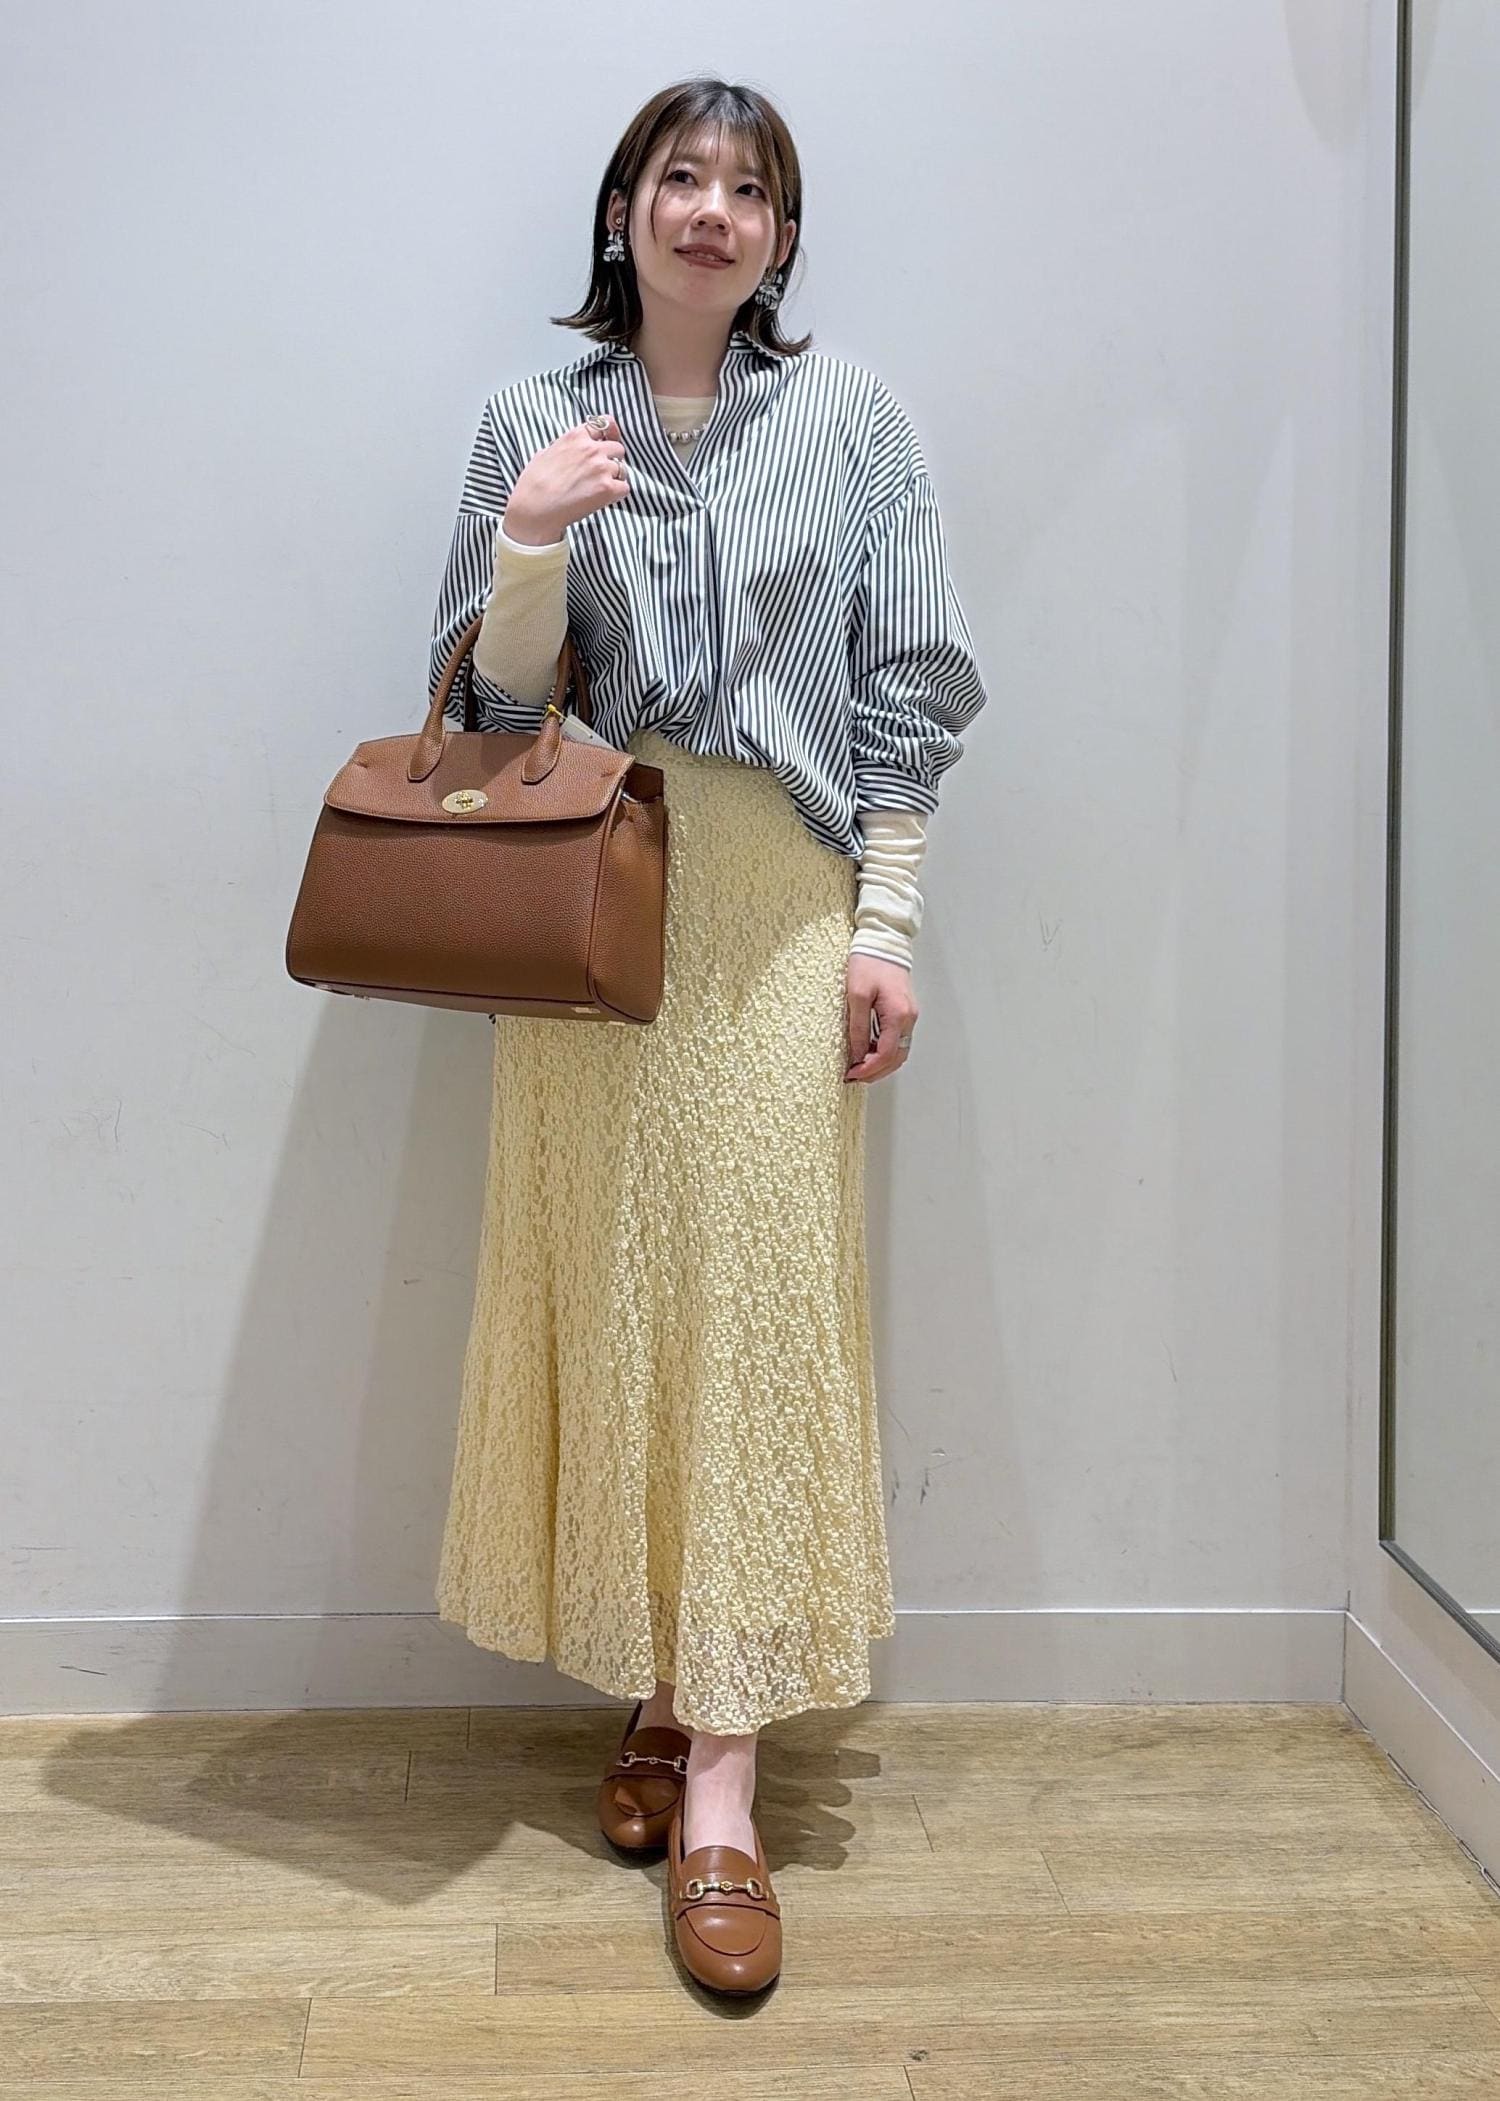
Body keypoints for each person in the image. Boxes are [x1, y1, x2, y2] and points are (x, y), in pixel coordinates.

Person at [428, 76, 988, 1997]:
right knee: (621, 1289)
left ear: (783, 238)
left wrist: (885, 926)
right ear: (623, 211)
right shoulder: (531, 419)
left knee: (752, 1299)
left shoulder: (855, 423)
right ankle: (668, 1681)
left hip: (775, 900)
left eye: (750, 188)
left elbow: (909, 681)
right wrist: (528, 541)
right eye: (681, 176)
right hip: (590, 893)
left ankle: (727, 1769)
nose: (712, 210)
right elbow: (493, 721)